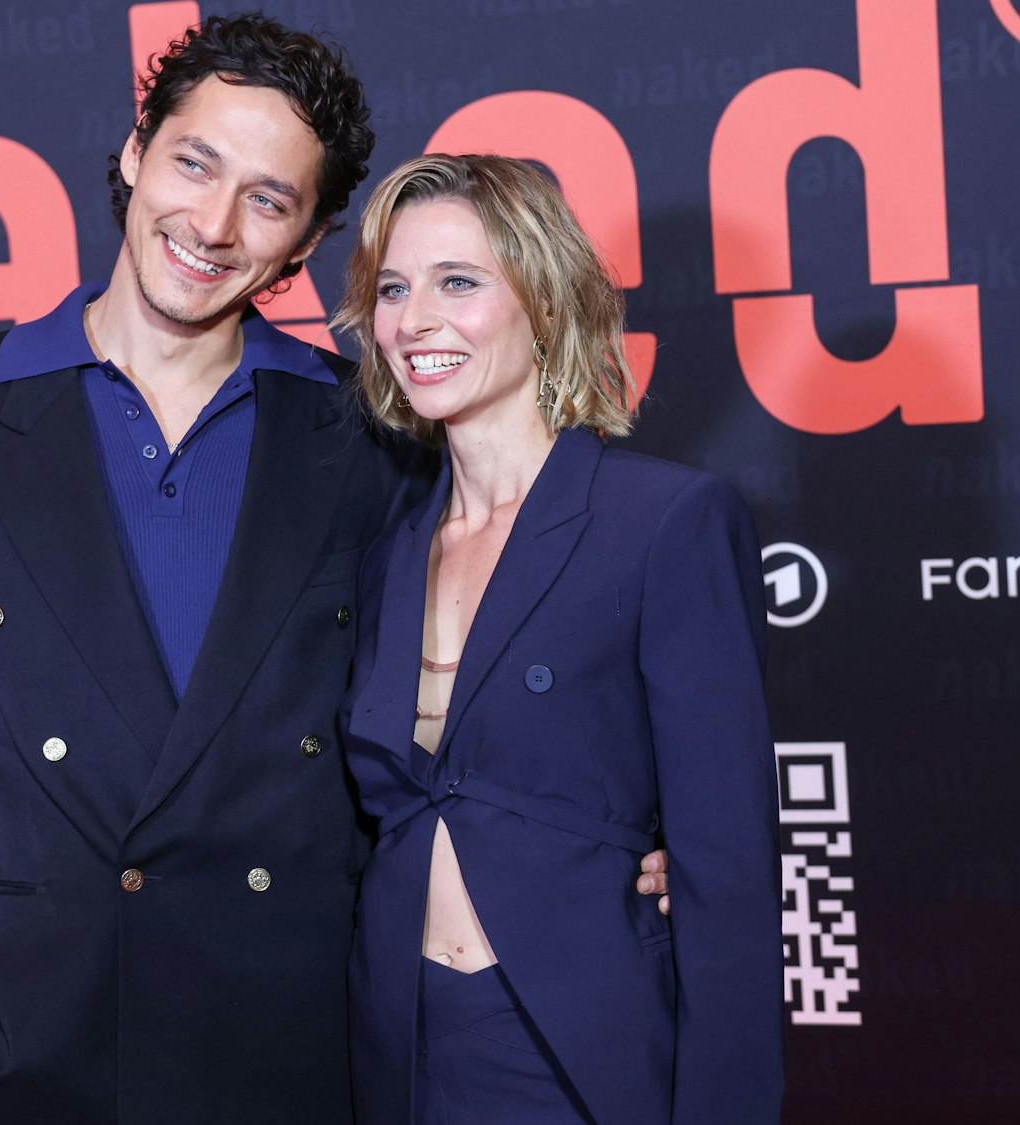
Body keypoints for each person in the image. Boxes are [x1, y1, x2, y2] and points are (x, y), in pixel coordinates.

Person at [0, 18, 673, 1125]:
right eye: (194, 163)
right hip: (20, 1037)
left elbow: (468, 691)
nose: (213, 224)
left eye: (268, 200)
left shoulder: (370, 432)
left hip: (289, 1036)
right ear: (135, 154)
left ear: (306, 240)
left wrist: (595, 831)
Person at [333, 154, 785, 1124]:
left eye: (457, 282)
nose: (414, 320)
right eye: (392, 289)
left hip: (580, 1043)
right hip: (397, 1049)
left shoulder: (661, 521)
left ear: (542, 301)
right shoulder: (383, 558)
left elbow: (728, 872)